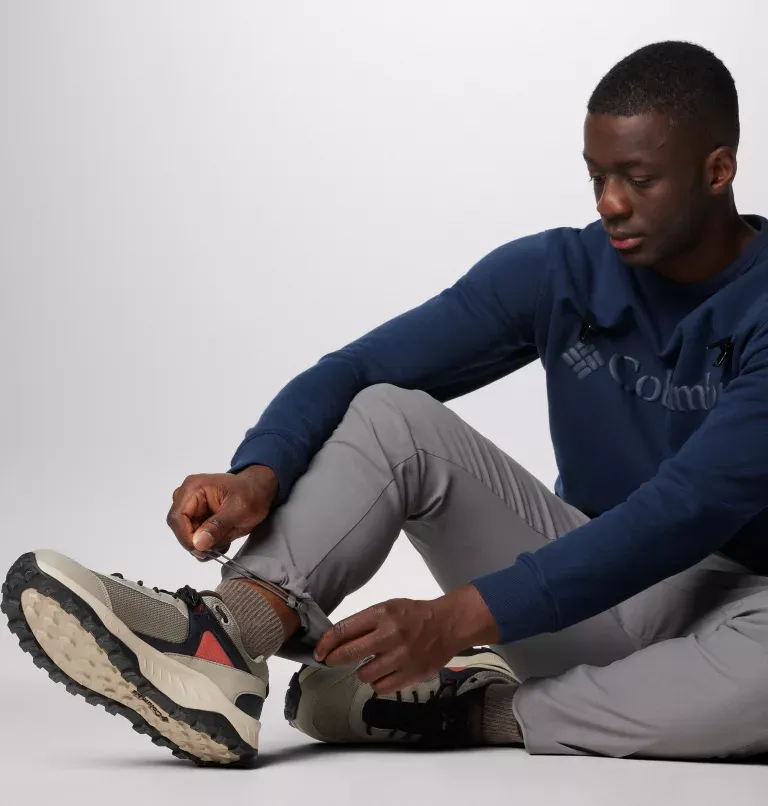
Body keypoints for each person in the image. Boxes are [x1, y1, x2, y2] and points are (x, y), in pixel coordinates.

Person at [5, 39, 768, 767]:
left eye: (638, 179)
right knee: (392, 416)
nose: (609, 203)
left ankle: (472, 707)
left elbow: (681, 512)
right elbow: (358, 367)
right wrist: (260, 472)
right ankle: (227, 639)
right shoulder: (562, 271)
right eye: (596, 176)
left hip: (741, 618)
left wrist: (455, 619)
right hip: (583, 602)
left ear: (718, 169)